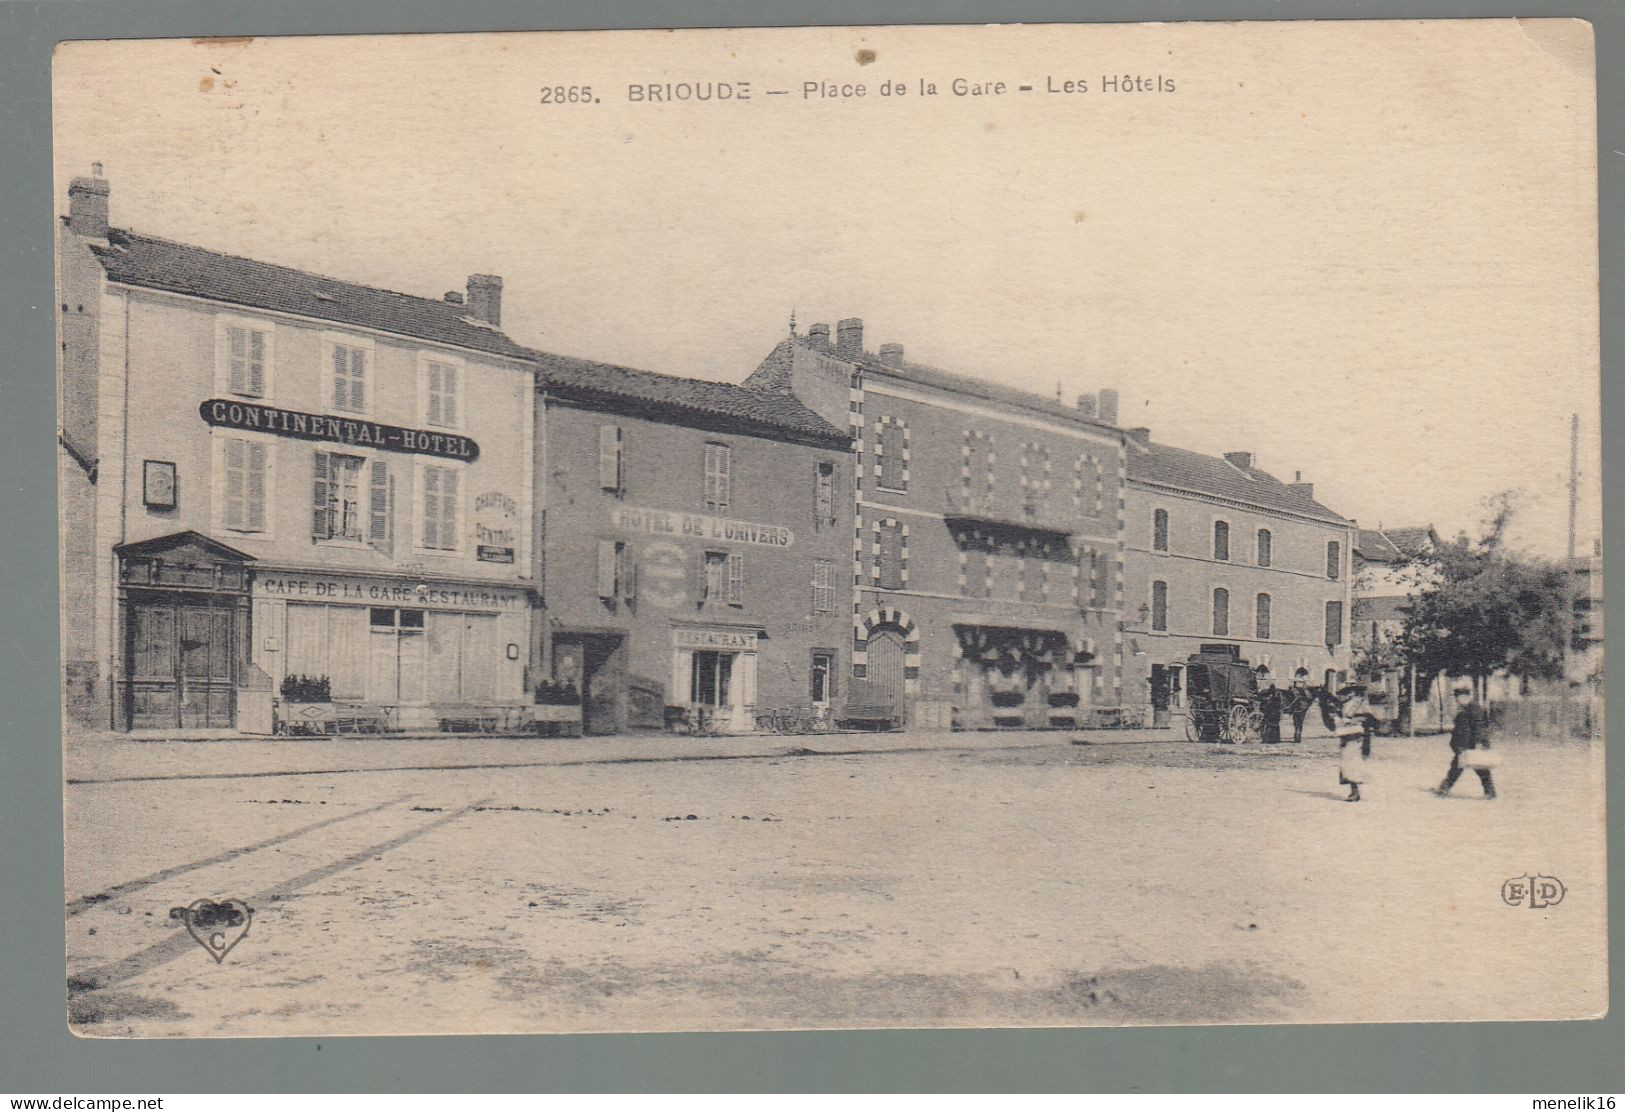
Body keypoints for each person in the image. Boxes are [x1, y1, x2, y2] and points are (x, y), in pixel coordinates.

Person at [1437, 683, 1497, 799]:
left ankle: (1490, 792)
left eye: (1458, 697)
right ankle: (1444, 788)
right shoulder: (1467, 708)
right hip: (1464, 745)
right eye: (1456, 698)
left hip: (1472, 744)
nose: (1457, 700)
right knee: (1458, 767)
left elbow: (1479, 727)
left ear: (1465, 697)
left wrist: (1479, 743)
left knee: (1479, 768)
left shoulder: (1474, 708)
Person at [1255, 665, 1283, 745]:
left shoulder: (1272, 698)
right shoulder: (1275, 698)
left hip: (1272, 714)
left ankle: (1268, 740)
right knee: (1273, 726)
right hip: (1273, 714)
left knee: (1271, 726)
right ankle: (1273, 739)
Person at [1286, 668, 1314, 743]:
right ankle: (1297, 734)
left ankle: (1297, 734)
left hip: (1300, 705)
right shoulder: (1296, 691)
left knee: (1298, 722)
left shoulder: (1304, 691)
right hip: (1299, 706)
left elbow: (1309, 696)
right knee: (1298, 722)